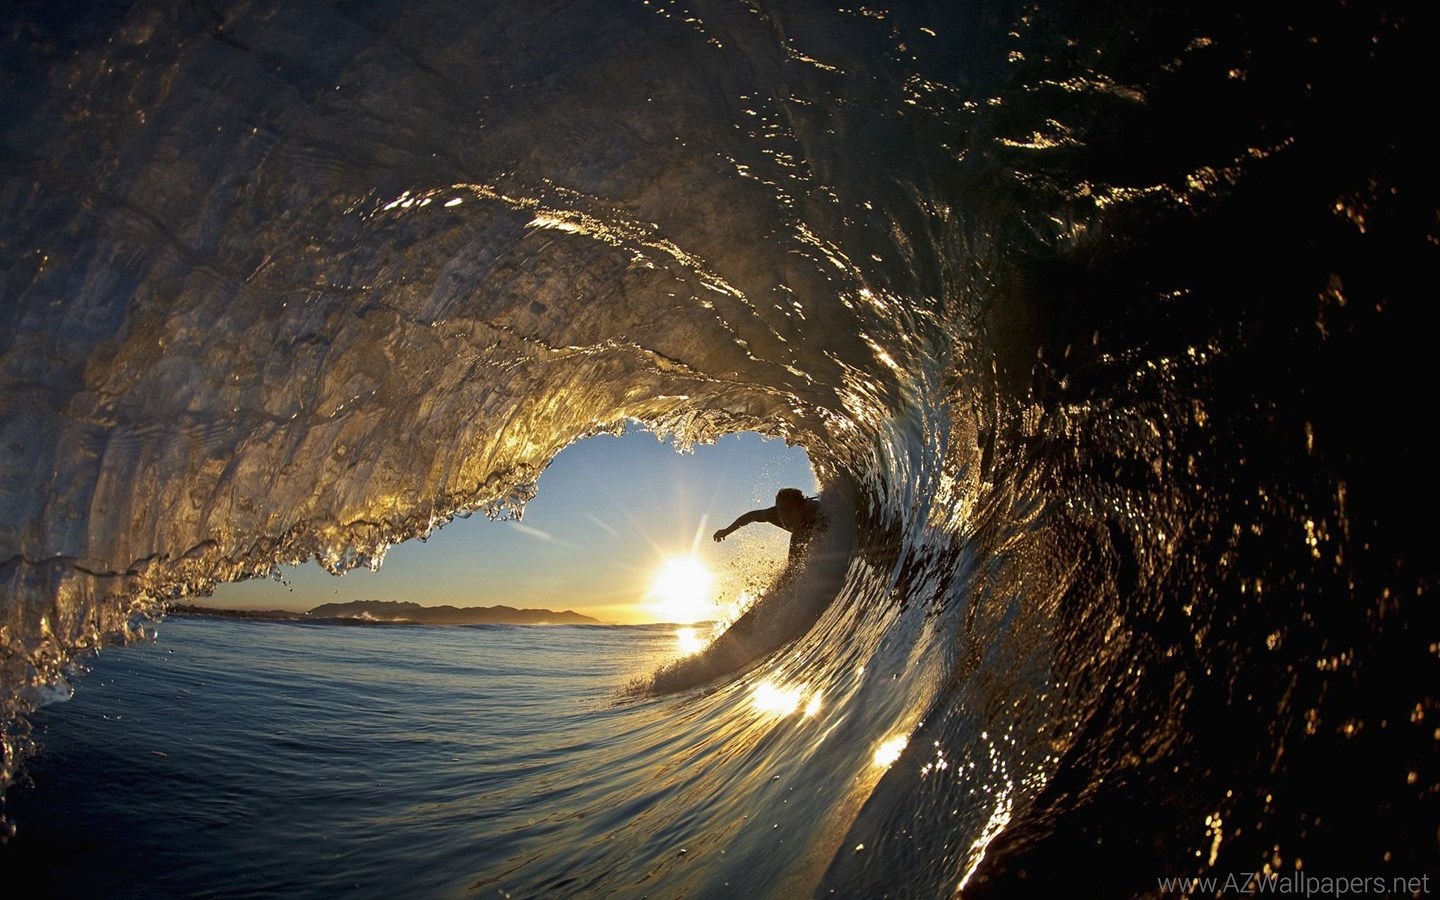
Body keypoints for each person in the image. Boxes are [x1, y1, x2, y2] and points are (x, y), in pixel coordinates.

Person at [713, 488, 823, 563]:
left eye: (789, 510)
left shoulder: (817, 514)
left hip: (814, 527)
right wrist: (726, 531)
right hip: (799, 531)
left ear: (802, 508)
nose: (784, 516)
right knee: (792, 569)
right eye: (781, 510)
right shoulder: (773, 514)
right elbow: (750, 516)